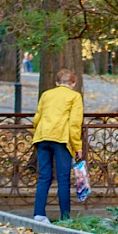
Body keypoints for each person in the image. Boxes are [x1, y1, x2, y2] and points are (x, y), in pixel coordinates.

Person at [31, 69, 84, 224]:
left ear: (56, 83)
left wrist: (40, 131)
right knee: (63, 179)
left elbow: (37, 118)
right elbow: (74, 124)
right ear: (73, 83)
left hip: (42, 137)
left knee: (44, 177)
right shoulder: (75, 96)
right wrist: (77, 146)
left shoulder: (46, 95)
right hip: (61, 140)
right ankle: (65, 218)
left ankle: (39, 214)